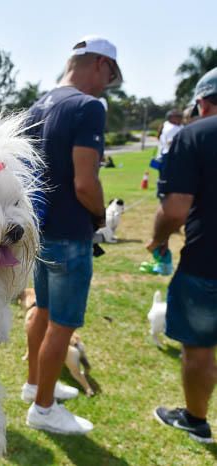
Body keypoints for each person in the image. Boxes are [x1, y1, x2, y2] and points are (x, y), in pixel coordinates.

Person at [23, 35, 122, 434]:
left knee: (42, 311)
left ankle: (36, 386)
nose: (107, 85)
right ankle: (44, 409)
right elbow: (86, 183)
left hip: (40, 230)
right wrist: (100, 217)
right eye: (110, 75)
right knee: (62, 323)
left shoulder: (35, 107)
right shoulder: (88, 107)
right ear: (99, 63)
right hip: (69, 233)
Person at [149, 67, 217, 444]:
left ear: (202, 102)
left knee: (199, 348)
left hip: (207, 262)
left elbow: (174, 210)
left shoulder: (195, 135)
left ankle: (195, 419)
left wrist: (159, 239)